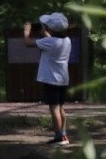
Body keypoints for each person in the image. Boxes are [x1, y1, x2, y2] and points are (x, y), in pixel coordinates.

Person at [23, 12, 74, 144]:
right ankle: (64, 135)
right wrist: (46, 32)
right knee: (61, 109)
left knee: (54, 108)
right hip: (63, 79)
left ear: (50, 29)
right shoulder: (67, 41)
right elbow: (53, 41)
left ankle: (59, 137)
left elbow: (28, 43)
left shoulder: (48, 42)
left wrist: (27, 30)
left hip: (51, 80)